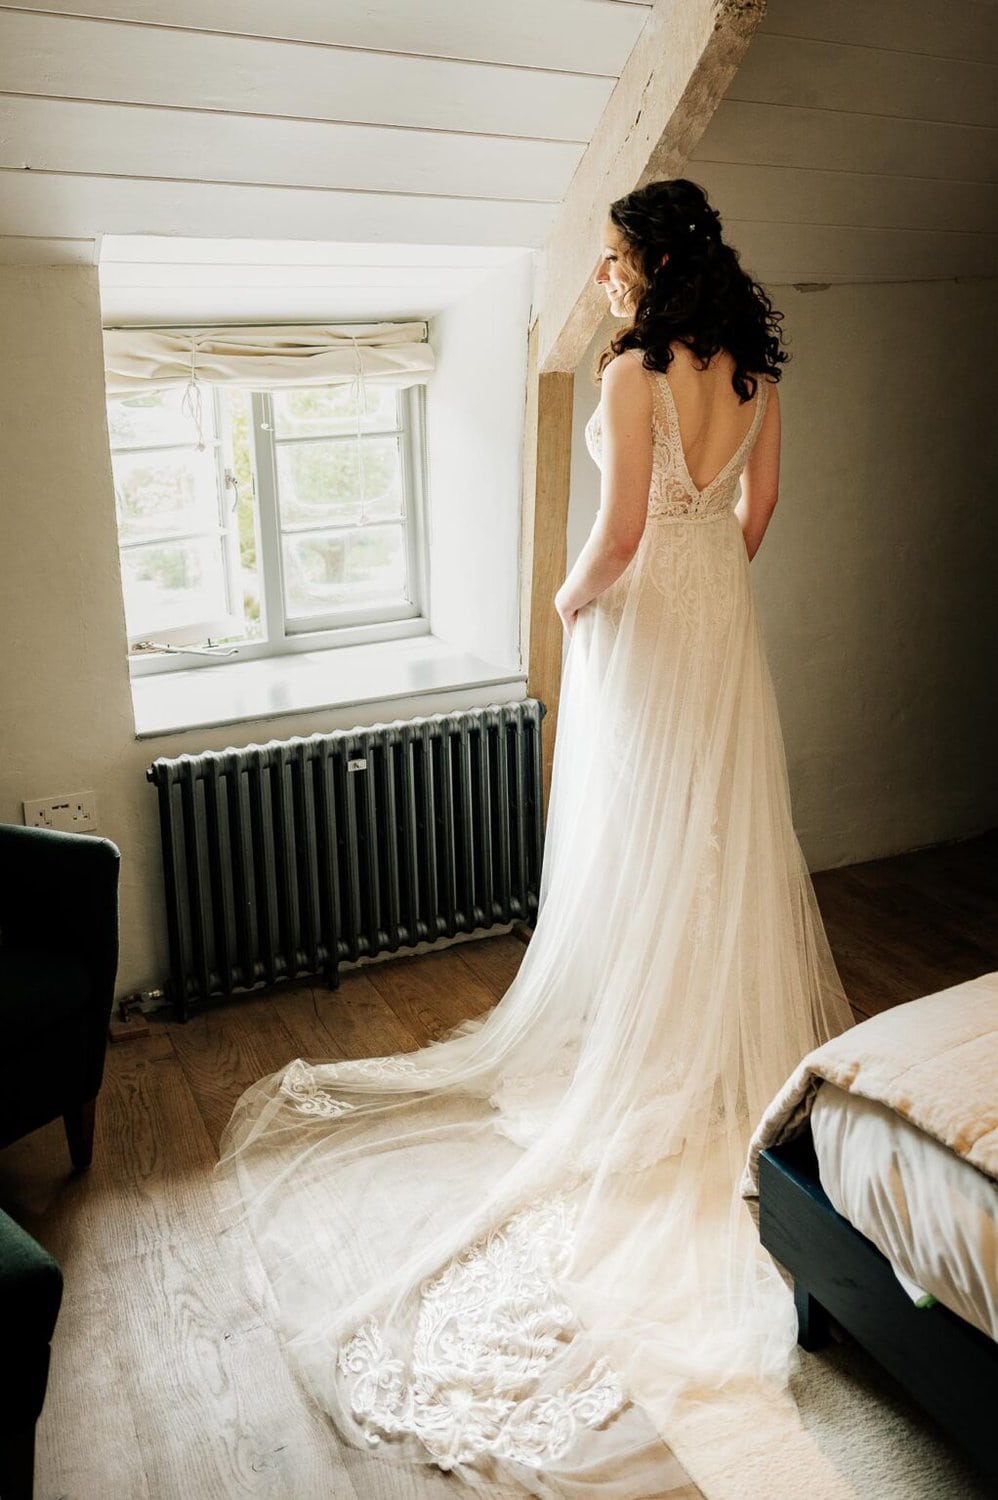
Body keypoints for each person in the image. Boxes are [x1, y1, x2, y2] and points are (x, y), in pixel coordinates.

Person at [216, 178, 854, 1499]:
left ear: (649, 265)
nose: (607, 280)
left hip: (644, 624)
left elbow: (615, 540)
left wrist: (564, 610)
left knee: (638, 834)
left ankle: (644, 1046)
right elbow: (756, 518)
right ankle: (702, 1039)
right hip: (720, 620)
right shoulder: (754, 374)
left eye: (614, 260)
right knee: (715, 833)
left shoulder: (635, 372)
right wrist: (710, 582)